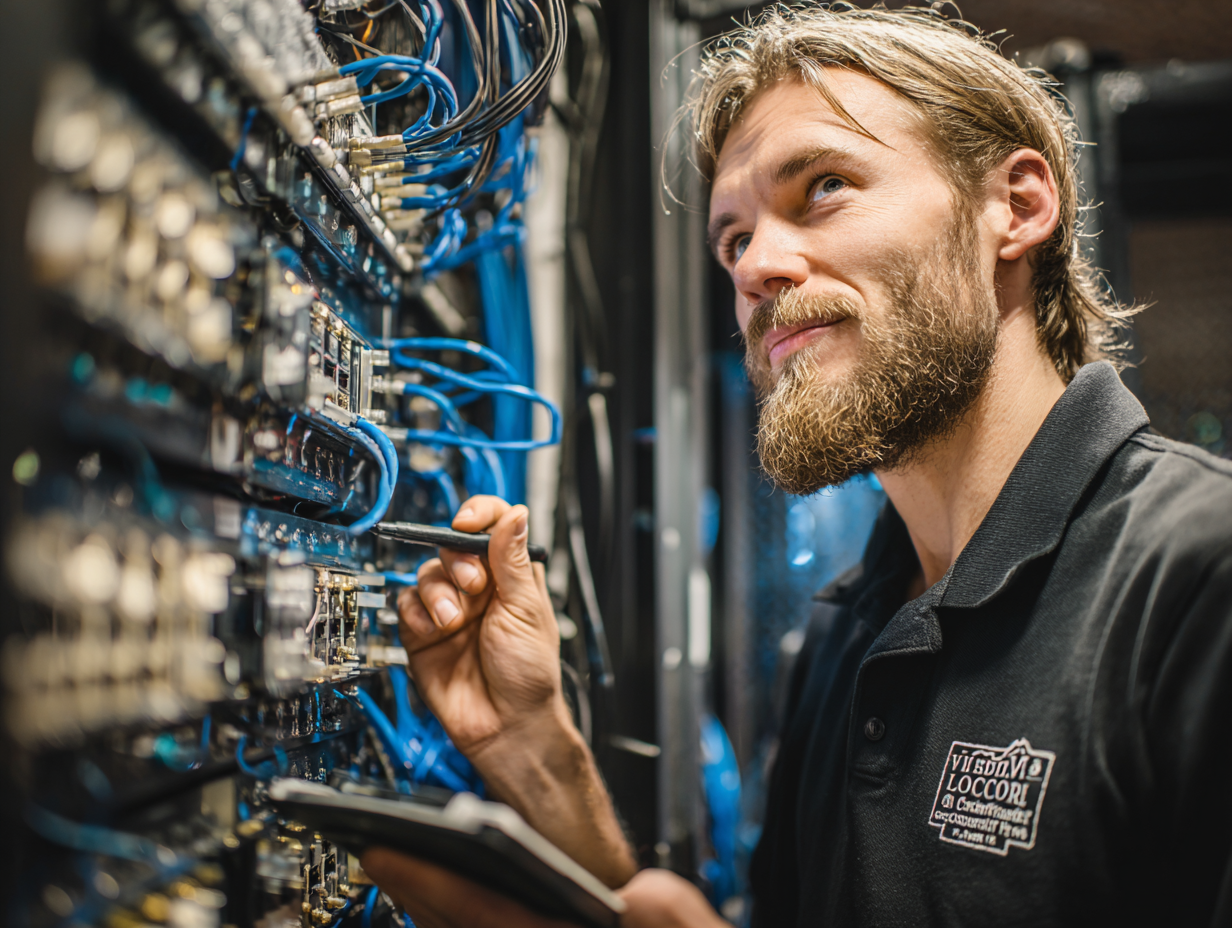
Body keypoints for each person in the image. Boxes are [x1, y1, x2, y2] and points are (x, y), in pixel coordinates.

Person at [362, 5, 1232, 926]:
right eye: (733, 240)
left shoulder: (1195, 578)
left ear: (1014, 207)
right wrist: (535, 749)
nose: (755, 269)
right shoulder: (846, 635)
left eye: (822, 186)